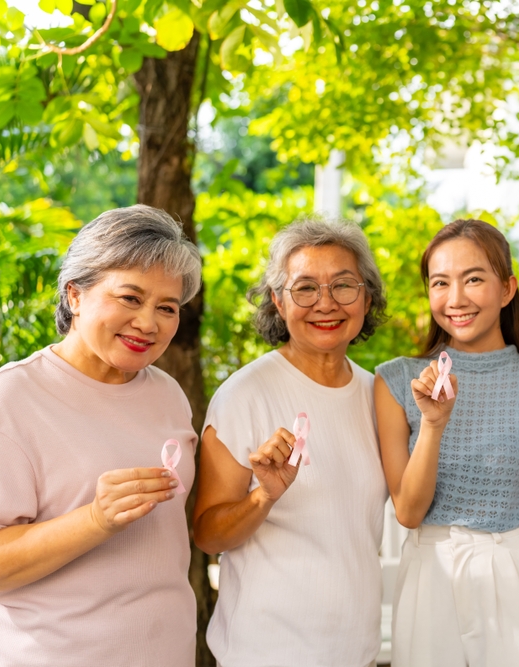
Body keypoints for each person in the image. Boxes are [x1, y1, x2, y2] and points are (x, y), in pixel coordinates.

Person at [0, 205, 202, 667]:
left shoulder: (168, 395)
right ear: (75, 295)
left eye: (167, 307)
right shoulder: (10, 400)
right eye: (129, 298)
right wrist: (96, 519)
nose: (148, 322)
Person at [375, 219, 519, 667]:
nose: (456, 299)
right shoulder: (395, 381)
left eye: (473, 279)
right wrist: (433, 424)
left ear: (507, 289)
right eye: (440, 283)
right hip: (430, 577)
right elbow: (408, 512)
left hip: (517, 573)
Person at [193, 217, 389, 667]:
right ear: (278, 302)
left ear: (366, 298)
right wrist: (264, 496)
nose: (326, 303)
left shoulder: (376, 396)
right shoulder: (244, 394)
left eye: (343, 285)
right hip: (265, 652)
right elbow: (207, 534)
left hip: (354, 652)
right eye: (305, 288)